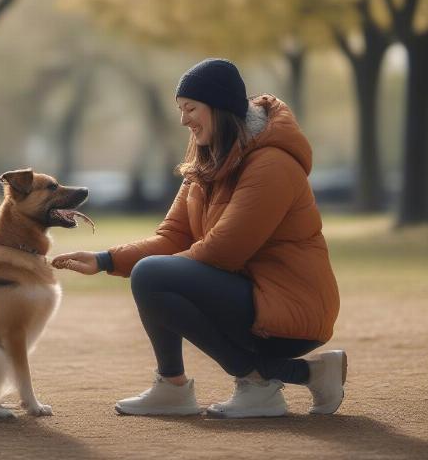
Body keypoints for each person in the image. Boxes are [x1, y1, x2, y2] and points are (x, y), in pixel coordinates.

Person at [52, 58, 344, 418]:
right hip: (248, 295)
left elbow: (225, 250)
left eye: (190, 108)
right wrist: (105, 260)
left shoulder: (272, 164)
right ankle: (173, 388)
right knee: (151, 273)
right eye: (180, 109)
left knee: (152, 275)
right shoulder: (207, 162)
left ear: (220, 108)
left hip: (291, 308)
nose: (183, 119)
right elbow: (173, 236)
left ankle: (266, 381)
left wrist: (154, 274)